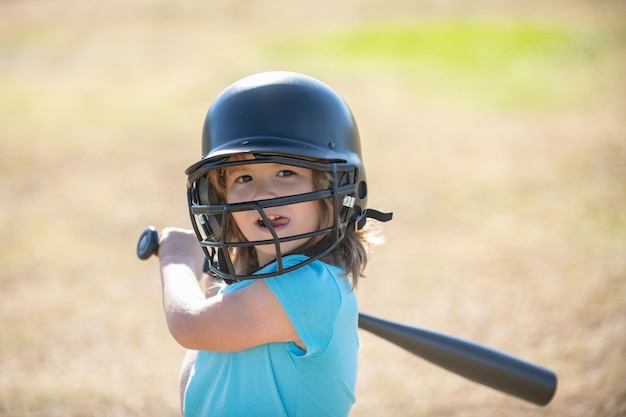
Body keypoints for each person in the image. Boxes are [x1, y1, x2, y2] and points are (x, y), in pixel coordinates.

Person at [157, 71, 392, 417]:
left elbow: (191, 327)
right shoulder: (251, 296)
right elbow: (200, 390)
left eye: (286, 173)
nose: (263, 194)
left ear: (335, 189)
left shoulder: (311, 289)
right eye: (244, 177)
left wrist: (176, 261)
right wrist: (215, 287)